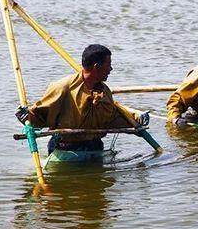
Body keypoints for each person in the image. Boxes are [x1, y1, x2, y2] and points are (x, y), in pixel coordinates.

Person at [15, 44, 149, 154]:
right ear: (97, 66)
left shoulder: (105, 91)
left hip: (94, 147)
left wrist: (136, 121)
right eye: (108, 65)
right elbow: (41, 117)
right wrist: (26, 117)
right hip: (65, 148)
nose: (111, 69)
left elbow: (110, 119)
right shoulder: (63, 87)